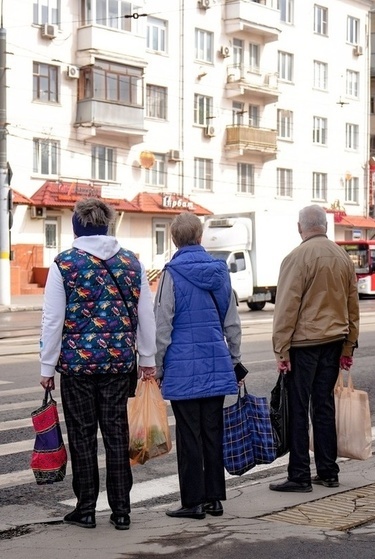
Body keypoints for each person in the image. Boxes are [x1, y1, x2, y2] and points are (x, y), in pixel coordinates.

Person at [39, 198, 157, 531]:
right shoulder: (132, 263)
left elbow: (52, 320)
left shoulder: (64, 264)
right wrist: (147, 360)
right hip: (120, 365)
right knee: (117, 436)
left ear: (77, 226)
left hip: (77, 368)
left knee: (82, 437)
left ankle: (86, 508)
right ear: (107, 225)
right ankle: (121, 511)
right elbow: (145, 316)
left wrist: (47, 368)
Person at [154, 212, 241, 520]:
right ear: (200, 237)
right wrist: (234, 358)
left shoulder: (171, 273)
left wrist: (158, 366)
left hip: (182, 368)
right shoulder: (219, 271)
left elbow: (162, 325)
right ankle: (215, 499)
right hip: (216, 362)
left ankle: (192, 502)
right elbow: (231, 319)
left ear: (175, 240)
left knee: (189, 435)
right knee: (212, 432)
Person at [270, 204, 360, 492]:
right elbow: (352, 307)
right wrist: (348, 347)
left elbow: (286, 308)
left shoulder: (296, 258)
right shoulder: (342, 257)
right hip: (334, 343)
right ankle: (328, 471)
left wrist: (281, 350)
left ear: (300, 227)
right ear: (326, 226)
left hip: (304, 345)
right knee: (323, 406)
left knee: (297, 409)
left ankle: (299, 475)